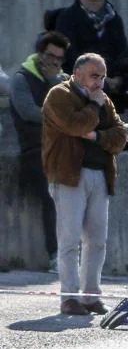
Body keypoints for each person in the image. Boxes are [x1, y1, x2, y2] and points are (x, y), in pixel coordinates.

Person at [42, 52, 128, 315]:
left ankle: (91, 296)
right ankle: (69, 298)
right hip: (69, 175)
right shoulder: (59, 95)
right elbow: (73, 125)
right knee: (68, 241)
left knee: (97, 240)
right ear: (77, 73)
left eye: (102, 76)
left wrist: (96, 136)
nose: (99, 82)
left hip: (100, 174)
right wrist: (92, 107)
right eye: (94, 76)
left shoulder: (105, 99)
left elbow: (120, 136)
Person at [9, 31, 71, 273]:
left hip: (64, 149)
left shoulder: (63, 79)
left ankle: (71, 254)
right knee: (52, 199)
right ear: (39, 54)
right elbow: (29, 112)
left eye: (59, 58)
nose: (54, 62)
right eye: (49, 56)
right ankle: (56, 256)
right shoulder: (21, 79)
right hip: (36, 151)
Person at [54, 0, 128, 93]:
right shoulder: (67, 18)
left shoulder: (114, 19)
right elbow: (69, 55)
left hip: (112, 79)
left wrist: (119, 78)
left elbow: (122, 51)